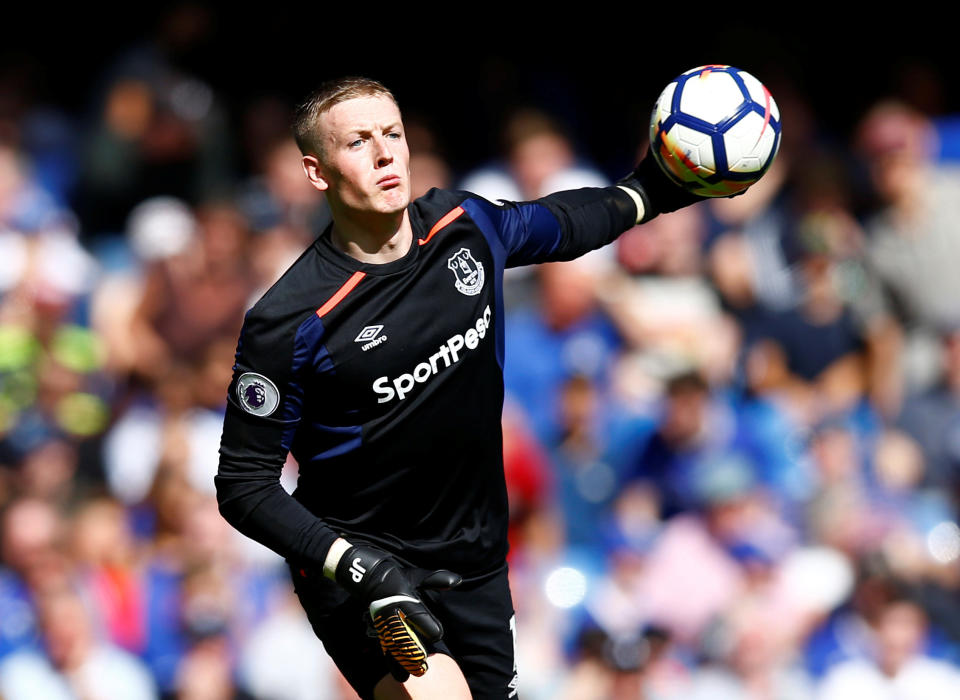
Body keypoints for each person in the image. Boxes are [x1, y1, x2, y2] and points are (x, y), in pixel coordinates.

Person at [215, 76, 709, 699]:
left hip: (475, 559)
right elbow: (242, 484)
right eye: (359, 141)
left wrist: (653, 189)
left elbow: (564, 222)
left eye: (391, 134)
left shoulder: (462, 225)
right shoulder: (288, 321)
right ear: (317, 171)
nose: (384, 153)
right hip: (364, 568)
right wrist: (354, 565)